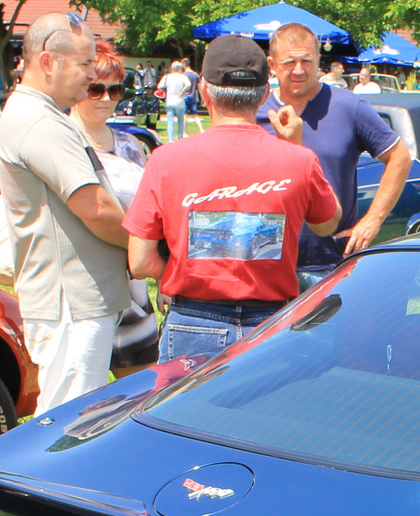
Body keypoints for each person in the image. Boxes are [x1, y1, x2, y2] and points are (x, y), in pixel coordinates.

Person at [124, 35, 341, 359]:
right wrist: (296, 147)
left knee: (182, 412)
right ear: (266, 94)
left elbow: (139, 261)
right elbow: (328, 223)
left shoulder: (166, 159)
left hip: (193, 320)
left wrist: (182, 269)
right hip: (270, 323)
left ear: (203, 91)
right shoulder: (299, 160)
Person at [0, 11, 131, 415]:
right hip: (72, 302)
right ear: (48, 62)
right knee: (67, 427)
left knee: (70, 420)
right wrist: (151, 245)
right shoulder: (40, 121)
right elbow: (95, 208)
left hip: (75, 300)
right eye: (85, 63)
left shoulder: (44, 115)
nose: (92, 75)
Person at [257, 21, 411, 280]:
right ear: (271, 65)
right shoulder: (256, 112)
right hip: (268, 267)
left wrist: (372, 221)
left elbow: (400, 158)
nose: (298, 70)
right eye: (288, 63)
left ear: (319, 60)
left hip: (330, 266)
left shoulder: (349, 108)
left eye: (306, 61)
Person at [71, 41, 158, 374]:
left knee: (140, 387)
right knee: (83, 397)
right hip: (86, 284)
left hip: (133, 284)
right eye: (96, 89)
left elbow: (153, 212)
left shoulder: (131, 144)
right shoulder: (64, 143)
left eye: (115, 90)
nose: (106, 98)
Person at [158, 60, 192, 142]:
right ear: (180, 69)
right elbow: (189, 85)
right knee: (180, 121)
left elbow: (159, 86)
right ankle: (180, 138)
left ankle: (171, 140)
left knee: (170, 122)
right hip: (179, 100)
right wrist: (182, 92)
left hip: (169, 100)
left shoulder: (167, 77)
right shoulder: (183, 77)